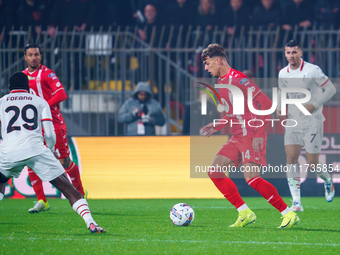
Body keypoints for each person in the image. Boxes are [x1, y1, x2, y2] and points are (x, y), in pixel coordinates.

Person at [200, 43, 299, 228]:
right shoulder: (221, 83)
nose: (206, 68)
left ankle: (288, 213)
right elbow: (232, 114)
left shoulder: (239, 80)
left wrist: (260, 133)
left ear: (218, 60)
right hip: (236, 135)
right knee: (214, 171)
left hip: (251, 134)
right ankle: (244, 212)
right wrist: (218, 124)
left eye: (207, 63)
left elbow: (266, 103)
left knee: (252, 178)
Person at [0, 72, 105, 234]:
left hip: (9, 150)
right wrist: (48, 151)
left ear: (9, 88)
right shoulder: (40, 102)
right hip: (36, 149)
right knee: (68, 189)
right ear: (28, 88)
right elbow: (49, 134)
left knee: (0, 182)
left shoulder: (1, 102)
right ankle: (91, 223)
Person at [22, 43, 86, 213]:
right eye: (30, 55)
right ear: (25, 57)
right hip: (33, 126)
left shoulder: (47, 73)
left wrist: (44, 106)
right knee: (31, 159)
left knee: (64, 161)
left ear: (40, 56)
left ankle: (80, 194)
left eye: (36, 54)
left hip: (53, 123)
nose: (34, 57)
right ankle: (42, 200)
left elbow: (62, 94)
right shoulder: (21, 77)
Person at [277, 40, 336, 212]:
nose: (291, 56)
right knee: (291, 158)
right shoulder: (283, 73)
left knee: (312, 164)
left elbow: (331, 89)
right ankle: (296, 202)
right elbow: (282, 92)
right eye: (288, 53)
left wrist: (315, 105)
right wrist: (281, 107)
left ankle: (328, 180)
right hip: (293, 121)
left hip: (313, 122)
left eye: (294, 52)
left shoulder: (313, 70)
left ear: (301, 53)